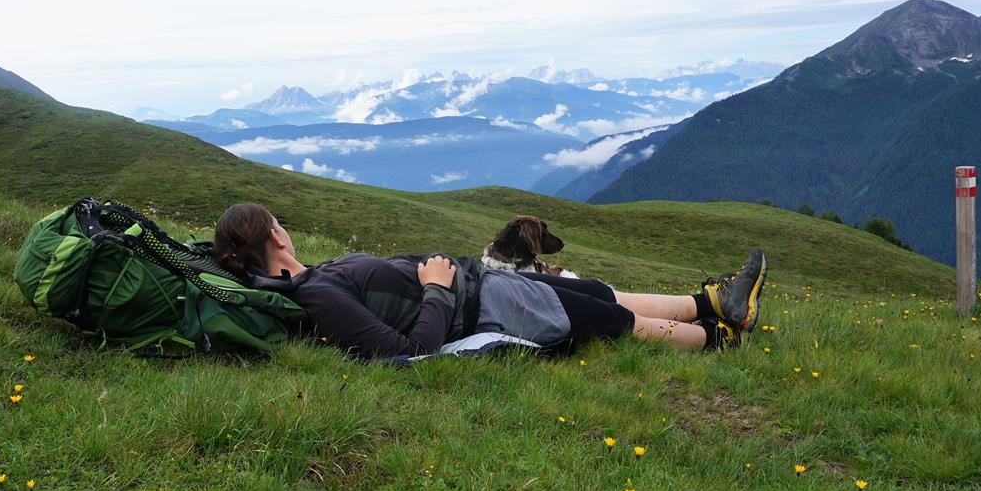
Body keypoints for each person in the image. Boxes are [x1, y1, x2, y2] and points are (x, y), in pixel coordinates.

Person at [211, 202, 767, 362]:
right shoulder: (317, 293)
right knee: (615, 322)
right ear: (276, 239)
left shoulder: (316, 277)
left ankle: (712, 300)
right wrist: (435, 286)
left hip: (488, 285)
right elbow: (403, 351)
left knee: (596, 293)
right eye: (280, 223)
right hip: (488, 307)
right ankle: (723, 337)